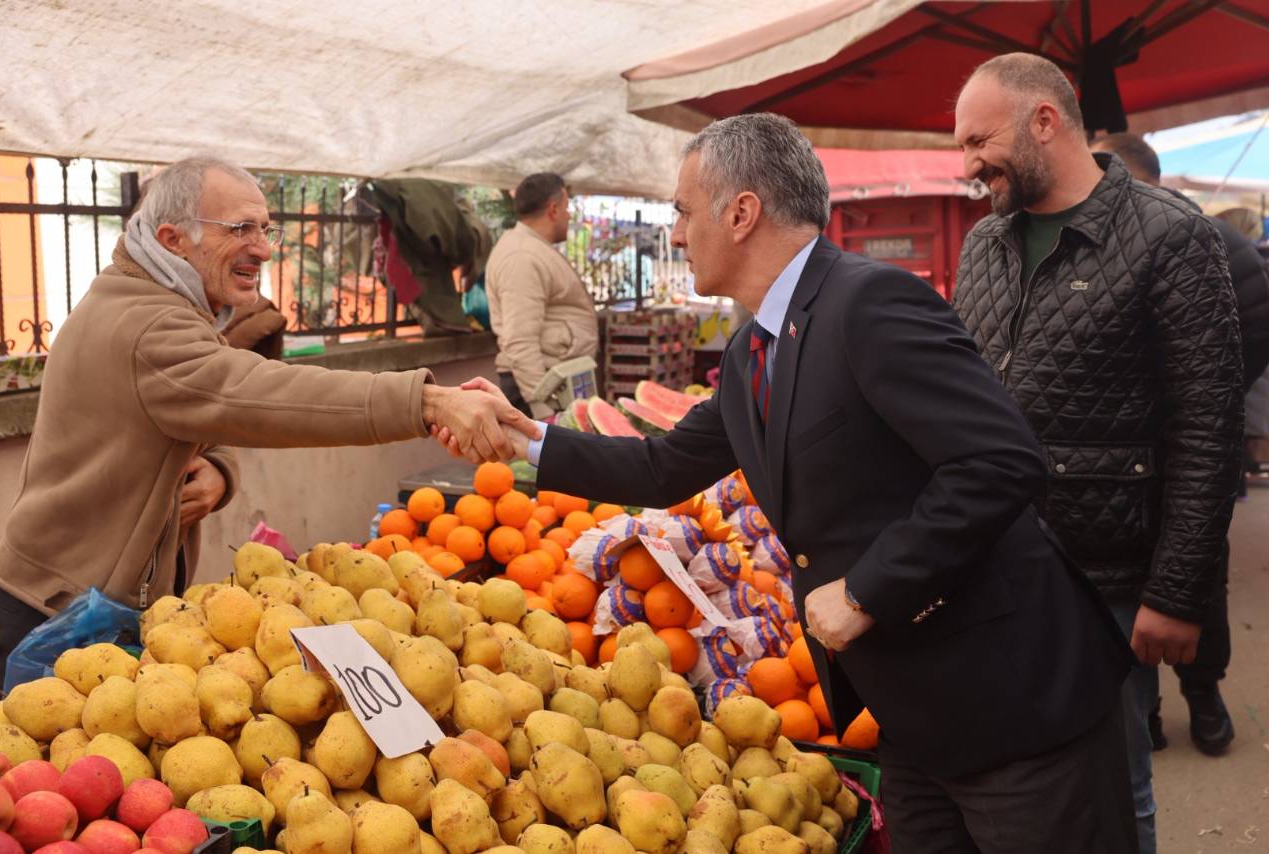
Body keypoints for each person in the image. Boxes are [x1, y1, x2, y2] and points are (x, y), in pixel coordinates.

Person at [445, 113, 1137, 853]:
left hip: (1011, 703)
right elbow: (664, 466)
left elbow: (1002, 462)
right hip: (910, 717)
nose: (674, 235)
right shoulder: (754, 350)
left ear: (742, 213)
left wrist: (869, 588)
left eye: (681, 212)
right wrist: (525, 435)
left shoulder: (869, 303)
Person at [0, 155, 537, 697]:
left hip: (81, 601)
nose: (263, 246)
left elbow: (200, 408)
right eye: (240, 229)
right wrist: (427, 403)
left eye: (265, 227)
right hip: (59, 613)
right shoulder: (148, 323)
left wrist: (220, 471)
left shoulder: (154, 301)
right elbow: (256, 393)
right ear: (173, 238)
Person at [952, 55, 1244, 854]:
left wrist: (1179, 591)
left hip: (1109, 581)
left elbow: (1207, 427)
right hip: (995, 569)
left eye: (978, 141)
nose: (967, 163)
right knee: (1021, 780)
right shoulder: (982, 243)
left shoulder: (1171, 236)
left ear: (1045, 120)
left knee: (1118, 791)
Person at [1090, 131, 1269, 756]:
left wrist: (1198, 406)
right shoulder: (1096, 247)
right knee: (1129, 586)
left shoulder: (1216, 243)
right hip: (1119, 465)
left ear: (1137, 177)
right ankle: (1153, 708)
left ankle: (1203, 699)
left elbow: (1253, 331)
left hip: (1189, 455)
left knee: (1195, 578)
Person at [484, 172, 598, 418]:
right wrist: (542, 408)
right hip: (541, 394)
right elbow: (519, 340)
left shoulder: (531, 248)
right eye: (567, 208)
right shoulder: (522, 256)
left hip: (557, 387)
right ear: (554, 209)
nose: (569, 215)